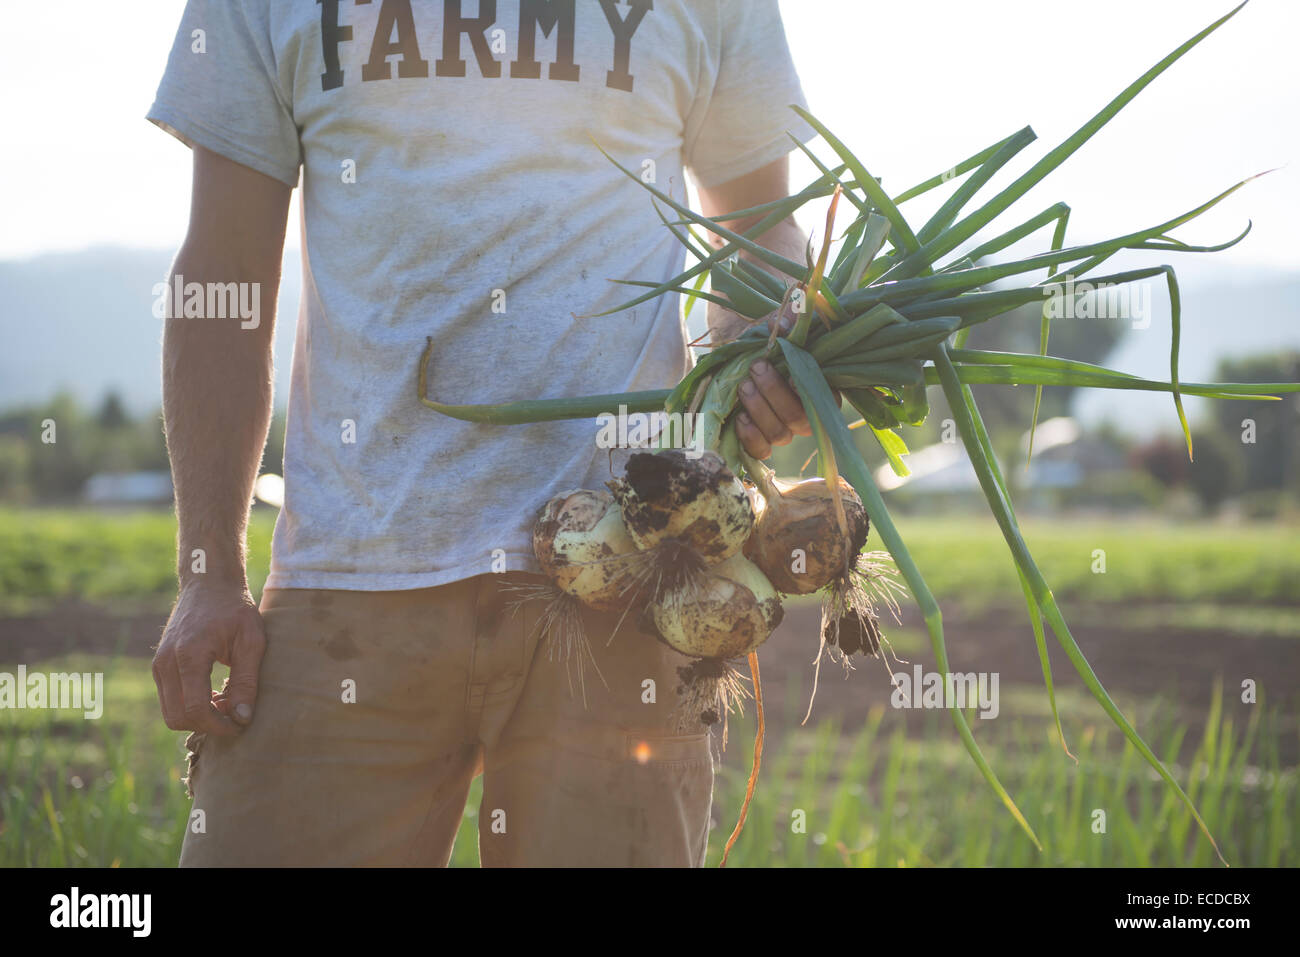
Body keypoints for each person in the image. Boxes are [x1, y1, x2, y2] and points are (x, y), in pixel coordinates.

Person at [149, 0, 816, 867]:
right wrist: (207, 572)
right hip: (348, 574)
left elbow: (760, 230)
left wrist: (757, 360)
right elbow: (223, 274)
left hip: (628, 576)